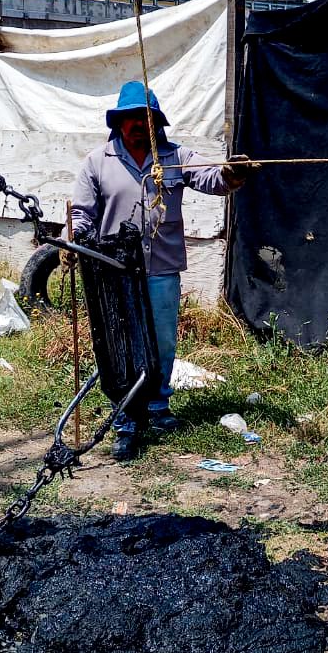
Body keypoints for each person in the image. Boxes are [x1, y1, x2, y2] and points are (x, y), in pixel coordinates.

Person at [71, 80, 248, 459]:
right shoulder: (97, 162)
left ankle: (157, 407)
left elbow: (212, 178)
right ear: (118, 123)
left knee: (162, 342)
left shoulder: (174, 157)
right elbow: (81, 215)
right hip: (115, 271)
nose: (137, 125)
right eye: (130, 119)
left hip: (162, 269)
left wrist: (233, 174)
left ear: (156, 123)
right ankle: (126, 418)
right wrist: (78, 244)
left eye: (145, 119)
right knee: (123, 344)